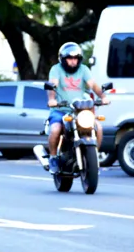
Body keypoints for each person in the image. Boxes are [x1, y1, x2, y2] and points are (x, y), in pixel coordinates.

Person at [45, 42, 109, 173]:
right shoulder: (56, 69)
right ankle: (53, 158)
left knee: (99, 127)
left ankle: (93, 157)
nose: (73, 62)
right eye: (69, 59)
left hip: (79, 110)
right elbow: (53, 85)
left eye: (75, 59)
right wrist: (52, 99)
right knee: (56, 129)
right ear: (63, 59)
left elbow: (93, 85)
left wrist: (103, 97)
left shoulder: (84, 69)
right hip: (60, 110)